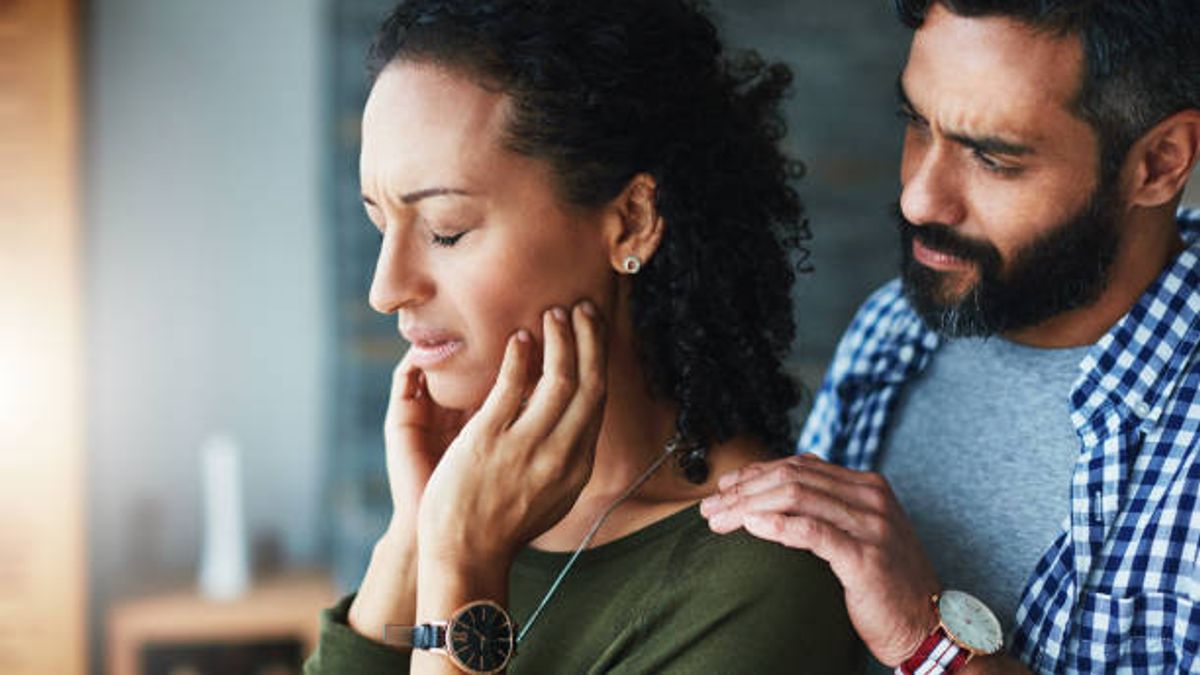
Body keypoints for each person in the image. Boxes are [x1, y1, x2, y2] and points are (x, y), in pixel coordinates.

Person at [304, 1, 862, 673]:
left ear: (629, 221)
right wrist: (411, 542)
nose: (386, 287)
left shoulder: (752, 581)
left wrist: (462, 567)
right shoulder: (462, 515)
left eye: (445, 229)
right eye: (379, 223)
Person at [702, 0, 1200, 673]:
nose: (919, 200)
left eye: (994, 158)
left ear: (1159, 163)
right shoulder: (894, 328)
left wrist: (930, 645)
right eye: (916, 123)